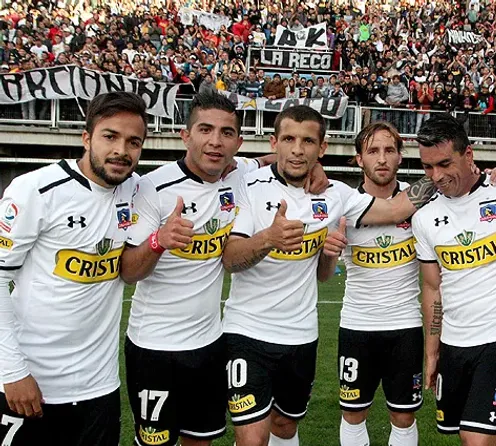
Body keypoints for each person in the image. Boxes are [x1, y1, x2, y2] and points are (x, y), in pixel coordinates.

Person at [220, 106, 437, 446]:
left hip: (302, 335)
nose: (297, 149)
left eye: (307, 141)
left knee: (286, 427)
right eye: (289, 139)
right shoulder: (248, 183)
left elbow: (395, 209)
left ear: (321, 149)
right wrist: (268, 239)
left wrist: (453, 169)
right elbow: (230, 259)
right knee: (252, 436)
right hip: (246, 331)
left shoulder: (336, 194)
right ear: (274, 141)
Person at [119, 92, 327, 446]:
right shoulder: (151, 187)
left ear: (238, 141)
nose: (215, 141)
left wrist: (314, 166)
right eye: (205, 130)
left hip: (209, 344)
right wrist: (160, 240)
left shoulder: (237, 174)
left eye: (226, 133)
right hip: (154, 347)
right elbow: (128, 271)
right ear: (185, 135)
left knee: (201, 441)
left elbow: (271, 160)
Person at [0, 92, 147, 445]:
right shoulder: (35, 190)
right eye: (110, 136)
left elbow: (208, 170)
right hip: (31, 383)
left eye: (133, 142)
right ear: (86, 137)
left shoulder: (138, 189)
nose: (121, 151)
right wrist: (12, 371)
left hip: (100, 389)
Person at [411, 113, 496, 446]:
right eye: (427, 167)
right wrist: (432, 352)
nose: (436, 175)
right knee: (472, 436)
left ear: (469, 155)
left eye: (444, 163)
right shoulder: (424, 218)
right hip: (454, 342)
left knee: (475, 437)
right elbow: (432, 287)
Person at [328, 122, 423, 446]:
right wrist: (329, 253)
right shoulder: (342, 205)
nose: (381, 158)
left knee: (404, 416)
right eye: (372, 151)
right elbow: (323, 272)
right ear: (358, 159)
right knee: (353, 414)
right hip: (357, 326)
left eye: (389, 150)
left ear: (399, 157)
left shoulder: (420, 202)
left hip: (405, 326)